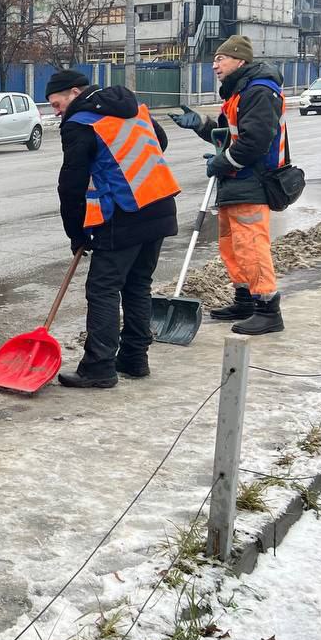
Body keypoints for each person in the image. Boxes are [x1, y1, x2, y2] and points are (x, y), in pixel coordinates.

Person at [48, 69, 180, 388]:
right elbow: (159, 140)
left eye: (57, 103)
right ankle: (135, 359)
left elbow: (71, 186)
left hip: (124, 212)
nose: (55, 111)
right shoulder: (131, 106)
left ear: (75, 93)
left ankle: (99, 366)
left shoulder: (81, 123)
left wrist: (76, 233)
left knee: (103, 288)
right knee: (137, 285)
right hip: (159, 203)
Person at [172, 35, 289, 335]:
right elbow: (228, 137)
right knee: (232, 246)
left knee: (251, 246)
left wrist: (221, 163)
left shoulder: (259, 92)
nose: (215, 65)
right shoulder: (237, 94)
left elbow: (255, 143)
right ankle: (245, 300)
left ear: (240, 61)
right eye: (214, 60)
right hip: (235, 183)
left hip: (253, 182)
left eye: (220, 59)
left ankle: (268, 309)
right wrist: (202, 126)